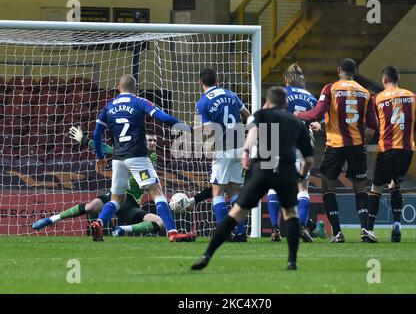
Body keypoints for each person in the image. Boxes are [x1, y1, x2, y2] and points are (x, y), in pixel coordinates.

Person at [191, 86, 314, 271]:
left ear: (268, 102)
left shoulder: (261, 115)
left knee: (236, 213)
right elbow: (309, 158)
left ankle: (207, 254)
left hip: (263, 169)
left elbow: (252, 135)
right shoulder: (296, 121)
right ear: (285, 103)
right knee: (290, 214)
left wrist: (246, 152)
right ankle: (292, 262)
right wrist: (301, 174)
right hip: (286, 171)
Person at [91, 74, 195, 242]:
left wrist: (100, 156)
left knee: (116, 199)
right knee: (156, 192)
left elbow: (96, 134)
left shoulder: (108, 106)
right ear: (135, 88)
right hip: (137, 156)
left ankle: (99, 222)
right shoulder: (139, 101)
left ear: (118, 87)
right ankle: (173, 232)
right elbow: (163, 117)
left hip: (118, 158)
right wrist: (186, 127)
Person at [31, 129, 182, 239]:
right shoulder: (131, 152)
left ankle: (122, 229)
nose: (153, 143)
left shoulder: (152, 158)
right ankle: (50, 219)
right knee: (91, 207)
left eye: (155, 140)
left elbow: (153, 182)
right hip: (120, 194)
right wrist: (85, 141)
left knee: (161, 222)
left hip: (131, 204)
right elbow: (107, 149)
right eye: (149, 140)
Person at [294, 58, 378, 243]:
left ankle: (338, 232)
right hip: (357, 146)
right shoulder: (365, 93)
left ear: (339, 70)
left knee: (327, 186)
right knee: (360, 187)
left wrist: (299, 115)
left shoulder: (330, 88)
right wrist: (361, 141)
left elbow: (315, 114)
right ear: (354, 71)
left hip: (335, 145)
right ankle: (365, 228)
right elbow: (373, 126)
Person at [364, 66, 416, 243]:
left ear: (384, 80)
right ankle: (397, 225)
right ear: (398, 78)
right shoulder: (412, 96)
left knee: (376, 189)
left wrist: (362, 142)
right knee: (394, 186)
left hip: (387, 149)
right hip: (407, 150)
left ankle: (369, 229)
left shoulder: (376, 98)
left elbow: (372, 128)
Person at [266, 62, 325, 242]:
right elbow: (318, 121)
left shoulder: (279, 94)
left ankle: (275, 229)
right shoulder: (310, 98)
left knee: (273, 185)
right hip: (302, 144)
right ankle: (301, 225)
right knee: (302, 187)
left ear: (285, 79)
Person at [196, 68, 251, 242]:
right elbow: (248, 116)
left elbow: (209, 131)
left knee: (217, 192)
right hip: (240, 147)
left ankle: (224, 233)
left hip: (223, 148)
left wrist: (209, 149)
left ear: (200, 83)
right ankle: (241, 233)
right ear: (217, 80)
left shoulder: (203, 102)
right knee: (235, 192)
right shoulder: (231, 94)